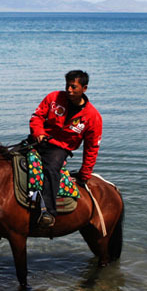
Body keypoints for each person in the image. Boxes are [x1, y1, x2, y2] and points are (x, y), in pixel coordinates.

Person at [29, 70, 103, 227]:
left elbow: (92, 148)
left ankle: (47, 212)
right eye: (67, 86)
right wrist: (38, 133)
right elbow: (37, 117)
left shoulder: (92, 117)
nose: (69, 90)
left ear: (84, 88)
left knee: (51, 170)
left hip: (59, 148)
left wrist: (85, 173)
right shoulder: (54, 97)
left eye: (73, 87)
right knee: (7, 156)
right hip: (39, 139)